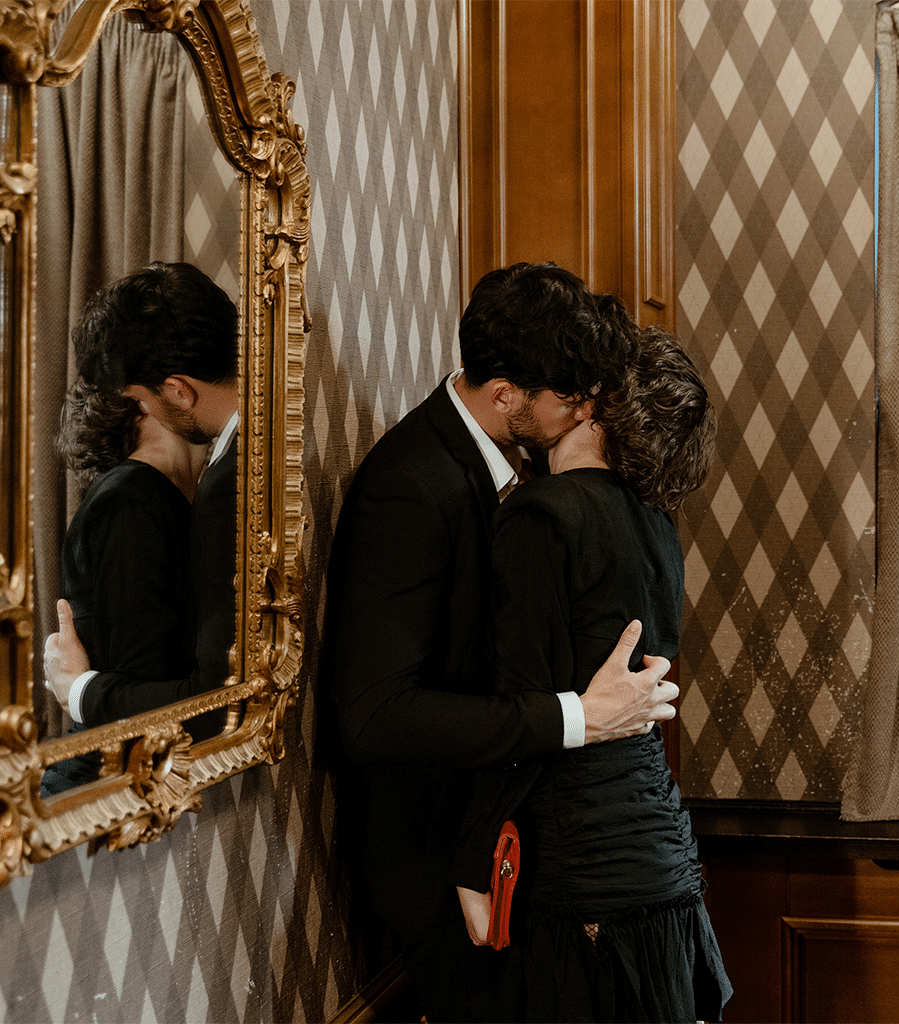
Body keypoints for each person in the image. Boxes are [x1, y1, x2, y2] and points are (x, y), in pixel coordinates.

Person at [323, 262, 680, 1022]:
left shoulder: (524, 466)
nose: (587, 411)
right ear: (506, 394)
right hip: (438, 854)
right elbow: (374, 715)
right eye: (571, 399)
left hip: (516, 843)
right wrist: (581, 716)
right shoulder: (410, 485)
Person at [454, 326, 731, 1022]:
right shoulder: (657, 521)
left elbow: (519, 716)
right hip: (663, 856)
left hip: (584, 865)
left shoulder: (541, 516)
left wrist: (472, 864)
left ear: (597, 405)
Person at [44, 261, 240, 734]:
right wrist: (82, 691)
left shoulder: (210, 484)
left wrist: (77, 689)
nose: (142, 405)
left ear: (178, 391)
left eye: (139, 397)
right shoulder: (130, 501)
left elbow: (203, 693)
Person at [41, 379, 206, 795]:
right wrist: (78, 691)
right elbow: (139, 685)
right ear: (140, 400)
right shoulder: (130, 499)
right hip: (102, 785)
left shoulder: (161, 498)